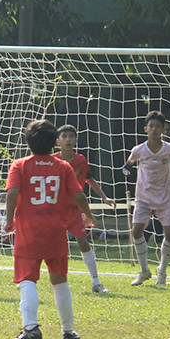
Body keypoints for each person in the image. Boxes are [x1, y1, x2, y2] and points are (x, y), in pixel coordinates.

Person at [4, 119, 97, 339]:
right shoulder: (63, 167)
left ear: (28, 143)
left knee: (27, 279)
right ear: (55, 142)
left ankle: (31, 328)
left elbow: (12, 192)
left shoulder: (20, 165)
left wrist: (8, 219)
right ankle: (68, 330)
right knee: (60, 280)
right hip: (56, 231)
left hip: (29, 232)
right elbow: (78, 194)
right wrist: (88, 215)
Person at [54, 124, 116, 292]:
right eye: (64, 136)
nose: (68, 139)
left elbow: (89, 179)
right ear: (57, 141)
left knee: (82, 241)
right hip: (54, 210)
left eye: (71, 136)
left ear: (76, 140)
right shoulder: (51, 160)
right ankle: (29, 279)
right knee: (48, 243)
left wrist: (104, 197)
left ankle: (96, 282)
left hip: (74, 209)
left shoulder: (81, 160)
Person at [124, 111, 170, 287]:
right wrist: (126, 171)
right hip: (143, 197)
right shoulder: (138, 150)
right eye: (151, 126)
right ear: (145, 129)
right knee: (137, 230)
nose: (154, 129)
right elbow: (128, 164)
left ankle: (162, 272)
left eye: (158, 126)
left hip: (165, 197)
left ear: (164, 130)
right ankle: (144, 270)